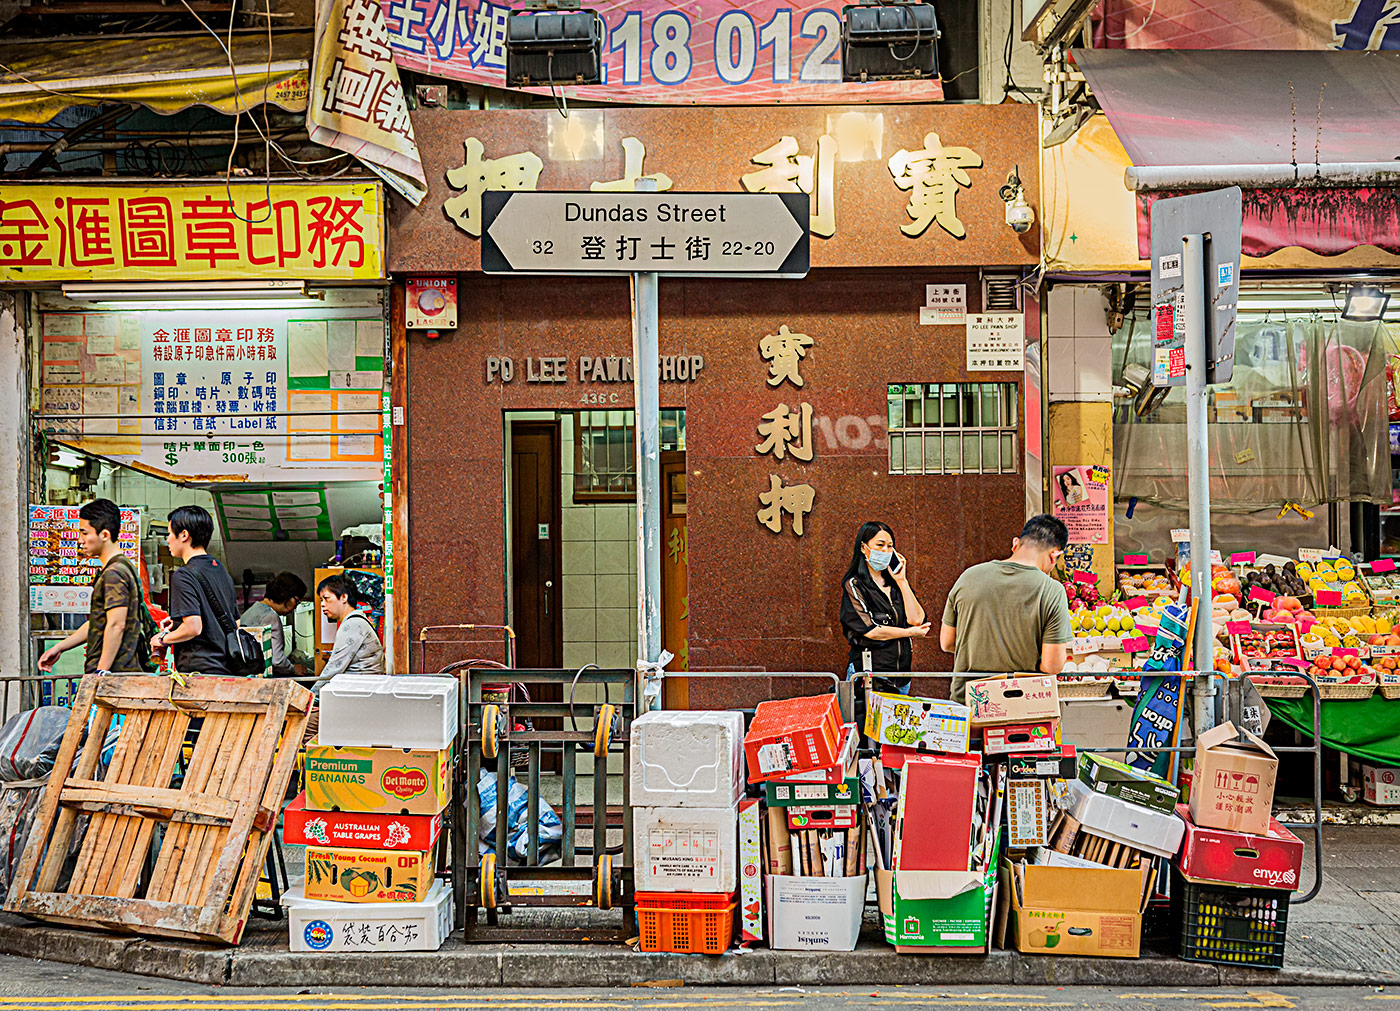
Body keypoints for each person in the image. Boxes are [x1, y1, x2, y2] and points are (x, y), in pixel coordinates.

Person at [940, 514, 1073, 705]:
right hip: (1020, 706)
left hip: (969, 704)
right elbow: (1052, 665)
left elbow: (947, 643)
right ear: (1055, 555)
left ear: (1015, 543)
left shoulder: (968, 577)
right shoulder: (1051, 590)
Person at [840, 521, 930, 731]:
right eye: (880, 545)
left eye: (890, 546)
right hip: (871, 678)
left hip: (901, 678)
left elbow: (917, 619)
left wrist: (902, 580)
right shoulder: (855, 585)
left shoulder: (895, 585)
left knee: (896, 737)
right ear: (864, 547)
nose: (886, 551)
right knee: (868, 740)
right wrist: (908, 633)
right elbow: (871, 630)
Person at [38, 499, 144, 675]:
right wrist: (60, 647)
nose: (80, 540)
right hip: (115, 673)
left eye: (85, 533)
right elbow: (98, 622)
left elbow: (116, 624)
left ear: (104, 535)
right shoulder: (120, 567)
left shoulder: (114, 573)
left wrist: (102, 672)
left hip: (116, 675)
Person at [151, 505, 239, 676]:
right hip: (226, 668)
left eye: (169, 533)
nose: (167, 540)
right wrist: (177, 624)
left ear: (184, 535)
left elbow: (193, 627)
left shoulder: (183, 575)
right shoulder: (220, 569)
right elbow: (235, 623)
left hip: (200, 672)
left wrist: (162, 639)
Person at [317, 574, 385, 680]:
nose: (322, 604)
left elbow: (334, 669)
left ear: (344, 597)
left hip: (360, 690)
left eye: (326, 598)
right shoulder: (356, 621)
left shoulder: (353, 624)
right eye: (321, 600)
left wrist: (311, 695)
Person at [241, 572, 308, 677]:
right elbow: (276, 660)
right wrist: (292, 668)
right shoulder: (271, 617)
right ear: (287, 595)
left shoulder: (252, 610)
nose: (295, 607)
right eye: (297, 601)